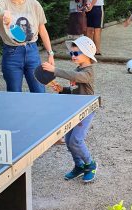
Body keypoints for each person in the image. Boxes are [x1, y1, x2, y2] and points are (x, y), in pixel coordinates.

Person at [34, 36, 98, 183]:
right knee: (69, 141)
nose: (73, 56)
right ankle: (79, 165)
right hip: (76, 110)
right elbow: (75, 90)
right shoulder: (77, 69)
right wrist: (63, 89)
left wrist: (55, 70)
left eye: (76, 53)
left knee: (76, 140)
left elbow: (76, 76)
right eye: (71, 53)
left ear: (87, 54)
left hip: (86, 110)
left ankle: (90, 164)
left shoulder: (88, 72)